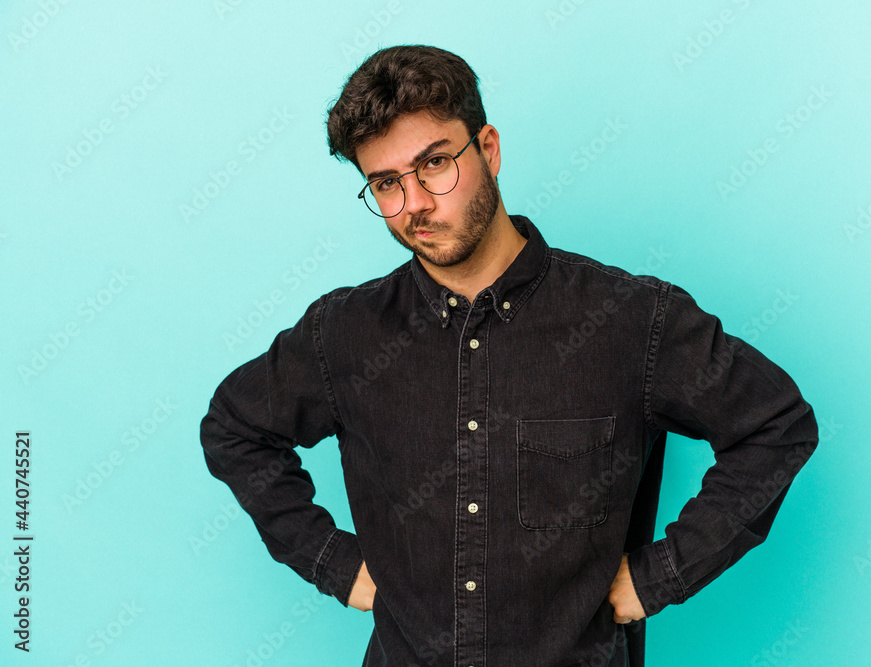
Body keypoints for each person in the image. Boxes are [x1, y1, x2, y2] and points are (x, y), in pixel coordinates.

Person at [199, 44, 819, 666]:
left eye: (435, 164)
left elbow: (776, 425)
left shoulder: (630, 321)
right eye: (386, 183)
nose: (414, 202)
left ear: (488, 150)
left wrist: (661, 574)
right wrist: (334, 561)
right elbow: (235, 428)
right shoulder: (345, 334)